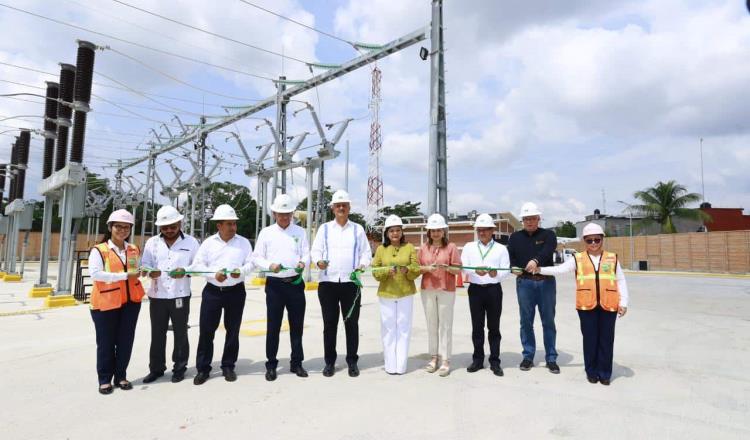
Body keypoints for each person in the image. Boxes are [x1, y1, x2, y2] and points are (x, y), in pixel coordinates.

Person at [537, 223, 628, 385]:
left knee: (606, 340)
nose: (593, 243)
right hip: (587, 306)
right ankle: (591, 371)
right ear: (584, 241)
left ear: (602, 240)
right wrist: (540, 270)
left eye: (597, 240)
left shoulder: (612, 258)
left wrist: (624, 302)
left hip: (609, 305)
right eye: (589, 240)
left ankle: (605, 373)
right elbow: (560, 270)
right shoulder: (577, 259)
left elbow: (620, 280)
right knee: (590, 339)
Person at [176, 204, 253, 385]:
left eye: (234, 224)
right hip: (213, 293)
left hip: (236, 291)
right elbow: (198, 266)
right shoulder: (209, 243)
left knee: (232, 331)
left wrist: (240, 272)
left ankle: (228, 366)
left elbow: (251, 263)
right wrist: (213, 275)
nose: (233, 227)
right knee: (206, 331)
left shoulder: (243, 242)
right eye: (229, 224)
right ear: (219, 225)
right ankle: (203, 369)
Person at [310, 189, 372, 377]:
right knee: (330, 324)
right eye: (338, 205)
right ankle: (329, 362)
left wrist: (362, 265)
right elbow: (316, 251)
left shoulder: (358, 229)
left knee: (351, 323)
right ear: (332, 208)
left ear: (349, 207)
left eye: (344, 205)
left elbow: (366, 253)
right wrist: (318, 261)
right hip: (328, 283)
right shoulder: (324, 229)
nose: (341, 208)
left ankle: (352, 361)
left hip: (350, 283)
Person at [252, 194, 310, 381]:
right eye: (281, 214)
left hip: (295, 284)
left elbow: (306, 253)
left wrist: (302, 263)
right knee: (273, 326)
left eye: (288, 214)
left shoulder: (300, 232)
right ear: (274, 213)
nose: (285, 217)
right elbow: (257, 257)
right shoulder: (266, 233)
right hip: (275, 286)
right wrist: (270, 266)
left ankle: (297, 363)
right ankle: (271, 365)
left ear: (292, 213)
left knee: (297, 326)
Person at [88, 209, 145, 394]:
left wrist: (142, 271)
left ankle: (120, 375)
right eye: (118, 226)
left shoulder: (133, 249)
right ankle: (104, 379)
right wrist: (124, 275)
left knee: (125, 341)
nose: (122, 230)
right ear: (110, 227)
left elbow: (135, 271)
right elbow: (96, 274)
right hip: (105, 304)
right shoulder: (100, 250)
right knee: (106, 342)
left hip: (130, 303)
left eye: (126, 227)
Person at [140, 206, 199, 384]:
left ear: (179, 223)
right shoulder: (152, 243)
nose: (169, 230)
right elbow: (145, 264)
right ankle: (156, 369)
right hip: (157, 295)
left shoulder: (191, 242)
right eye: (165, 227)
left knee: (181, 333)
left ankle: (179, 368)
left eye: (172, 226)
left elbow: (198, 265)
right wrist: (151, 272)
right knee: (157, 334)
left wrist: (186, 270)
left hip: (180, 294)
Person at [507, 202, 560, 374]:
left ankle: (551, 357)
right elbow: (512, 258)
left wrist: (536, 260)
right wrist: (513, 268)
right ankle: (528, 356)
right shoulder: (514, 238)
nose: (529, 222)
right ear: (522, 220)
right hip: (525, 283)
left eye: (532, 218)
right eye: (526, 219)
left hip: (545, 282)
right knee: (526, 321)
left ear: (539, 219)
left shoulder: (548, 235)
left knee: (548, 321)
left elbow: (547, 250)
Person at [460, 213, 511, 376]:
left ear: (492, 231)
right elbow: (463, 266)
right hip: (475, 290)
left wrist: (497, 274)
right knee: (477, 327)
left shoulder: (501, 249)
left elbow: (506, 270)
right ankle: (478, 360)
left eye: (485, 230)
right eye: (479, 230)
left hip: (493, 290)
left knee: (494, 327)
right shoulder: (469, 247)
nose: (482, 233)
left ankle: (495, 361)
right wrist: (474, 270)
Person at [372, 215, 420, 375]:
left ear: (402, 232)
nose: (395, 233)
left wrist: (409, 270)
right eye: (391, 230)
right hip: (386, 293)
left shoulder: (410, 247)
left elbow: (416, 268)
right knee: (388, 329)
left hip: (405, 293)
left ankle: (401, 366)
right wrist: (386, 271)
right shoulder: (380, 249)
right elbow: (375, 271)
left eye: (398, 230)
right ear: (386, 233)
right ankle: (390, 365)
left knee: (404, 328)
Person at [417, 213, 461, 377]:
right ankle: (433, 357)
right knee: (432, 324)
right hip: (427, 289)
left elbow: (458, 269)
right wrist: (427, 269)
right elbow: (417, 268)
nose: (435, 233)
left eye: (438, 230)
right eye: (432, 230)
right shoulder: (423, 248)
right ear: (428, 232)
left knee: (445, 325)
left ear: (444, 231)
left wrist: (447, 267)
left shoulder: (451, 247)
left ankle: (446, 360)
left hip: (446, 289)